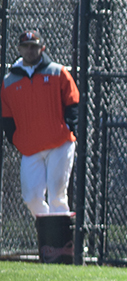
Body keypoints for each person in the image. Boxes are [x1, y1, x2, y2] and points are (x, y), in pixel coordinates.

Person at [1, 30, 80, 217]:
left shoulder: (57, 71)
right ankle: (49, 231)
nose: (30, 50)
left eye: (34, 46)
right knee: (31, 198)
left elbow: (73, 102)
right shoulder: (9, 81)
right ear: (19, 49)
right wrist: (15, 139)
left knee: (57, 196)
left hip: (59, 143)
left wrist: (68, 126)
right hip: (30, 148)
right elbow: (7, 117)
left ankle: (62, 241)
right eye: (26, 46)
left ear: (42, 48)